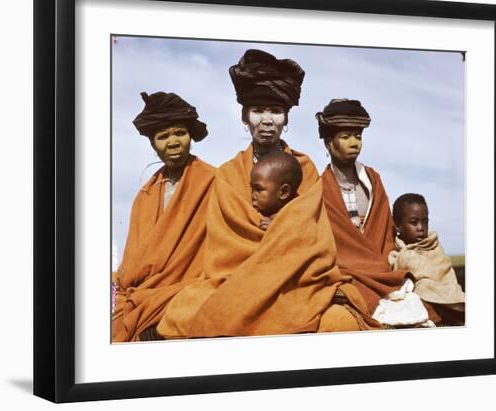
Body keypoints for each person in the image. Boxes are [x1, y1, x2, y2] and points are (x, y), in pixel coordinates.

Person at [157, 50, 379, 338]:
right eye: (258, 110)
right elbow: (226, 244)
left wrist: (281, 232)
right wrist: (278, 234)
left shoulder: (305, 168)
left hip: (296, 280)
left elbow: (314, 239)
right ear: (244, 117)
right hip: (237, 276)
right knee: (182, 314)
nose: (267, 120)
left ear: (286, 119)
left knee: (340, 321)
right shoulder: (227, 173)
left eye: (275, 111)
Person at [316, 98, 439, 327]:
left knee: (418, 299)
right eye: (345, 137)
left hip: (380, 265)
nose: (355, 143)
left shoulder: (372, 180)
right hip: (342, 268)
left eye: (358, 136)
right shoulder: (318, 188)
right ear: (328, 143)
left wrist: (388, 259)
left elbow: (384, 232)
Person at [112, 91, 215, 342]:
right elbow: (133, 259)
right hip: (144, 293)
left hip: (191, 289)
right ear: (152, 144)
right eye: (162, 136)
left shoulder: (215, 181)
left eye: (180, 132)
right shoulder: (145, 195)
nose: (173, 142)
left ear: (191, 136)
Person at [389, 193, 465, 325]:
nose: (421, 228)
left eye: (425, 221)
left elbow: (444, 270)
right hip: (423, 299)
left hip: (448, 293)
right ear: (398, 226)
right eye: (414, 222)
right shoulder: (398, 253)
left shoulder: (433, 245)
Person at [250, 151, 302, 231]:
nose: (253, 195)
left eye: (259, 189)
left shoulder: (299, 215)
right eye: (252, 189)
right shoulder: (254, 213)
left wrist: (277, 230)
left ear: (284, 192)